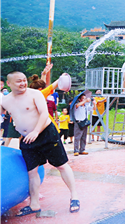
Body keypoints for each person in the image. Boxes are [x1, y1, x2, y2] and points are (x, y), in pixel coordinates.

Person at [0, 71, 80, 215]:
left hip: (45, 133)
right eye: (18, 81)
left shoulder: (34, 94)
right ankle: (34, 204)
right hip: (27, 138)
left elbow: (43, 114)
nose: (23, 83)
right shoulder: (5, 101)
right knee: (32, 171)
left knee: (61, 165)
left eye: (24, 80)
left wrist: (36, 131)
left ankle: (74, 196)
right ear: (9, 84)